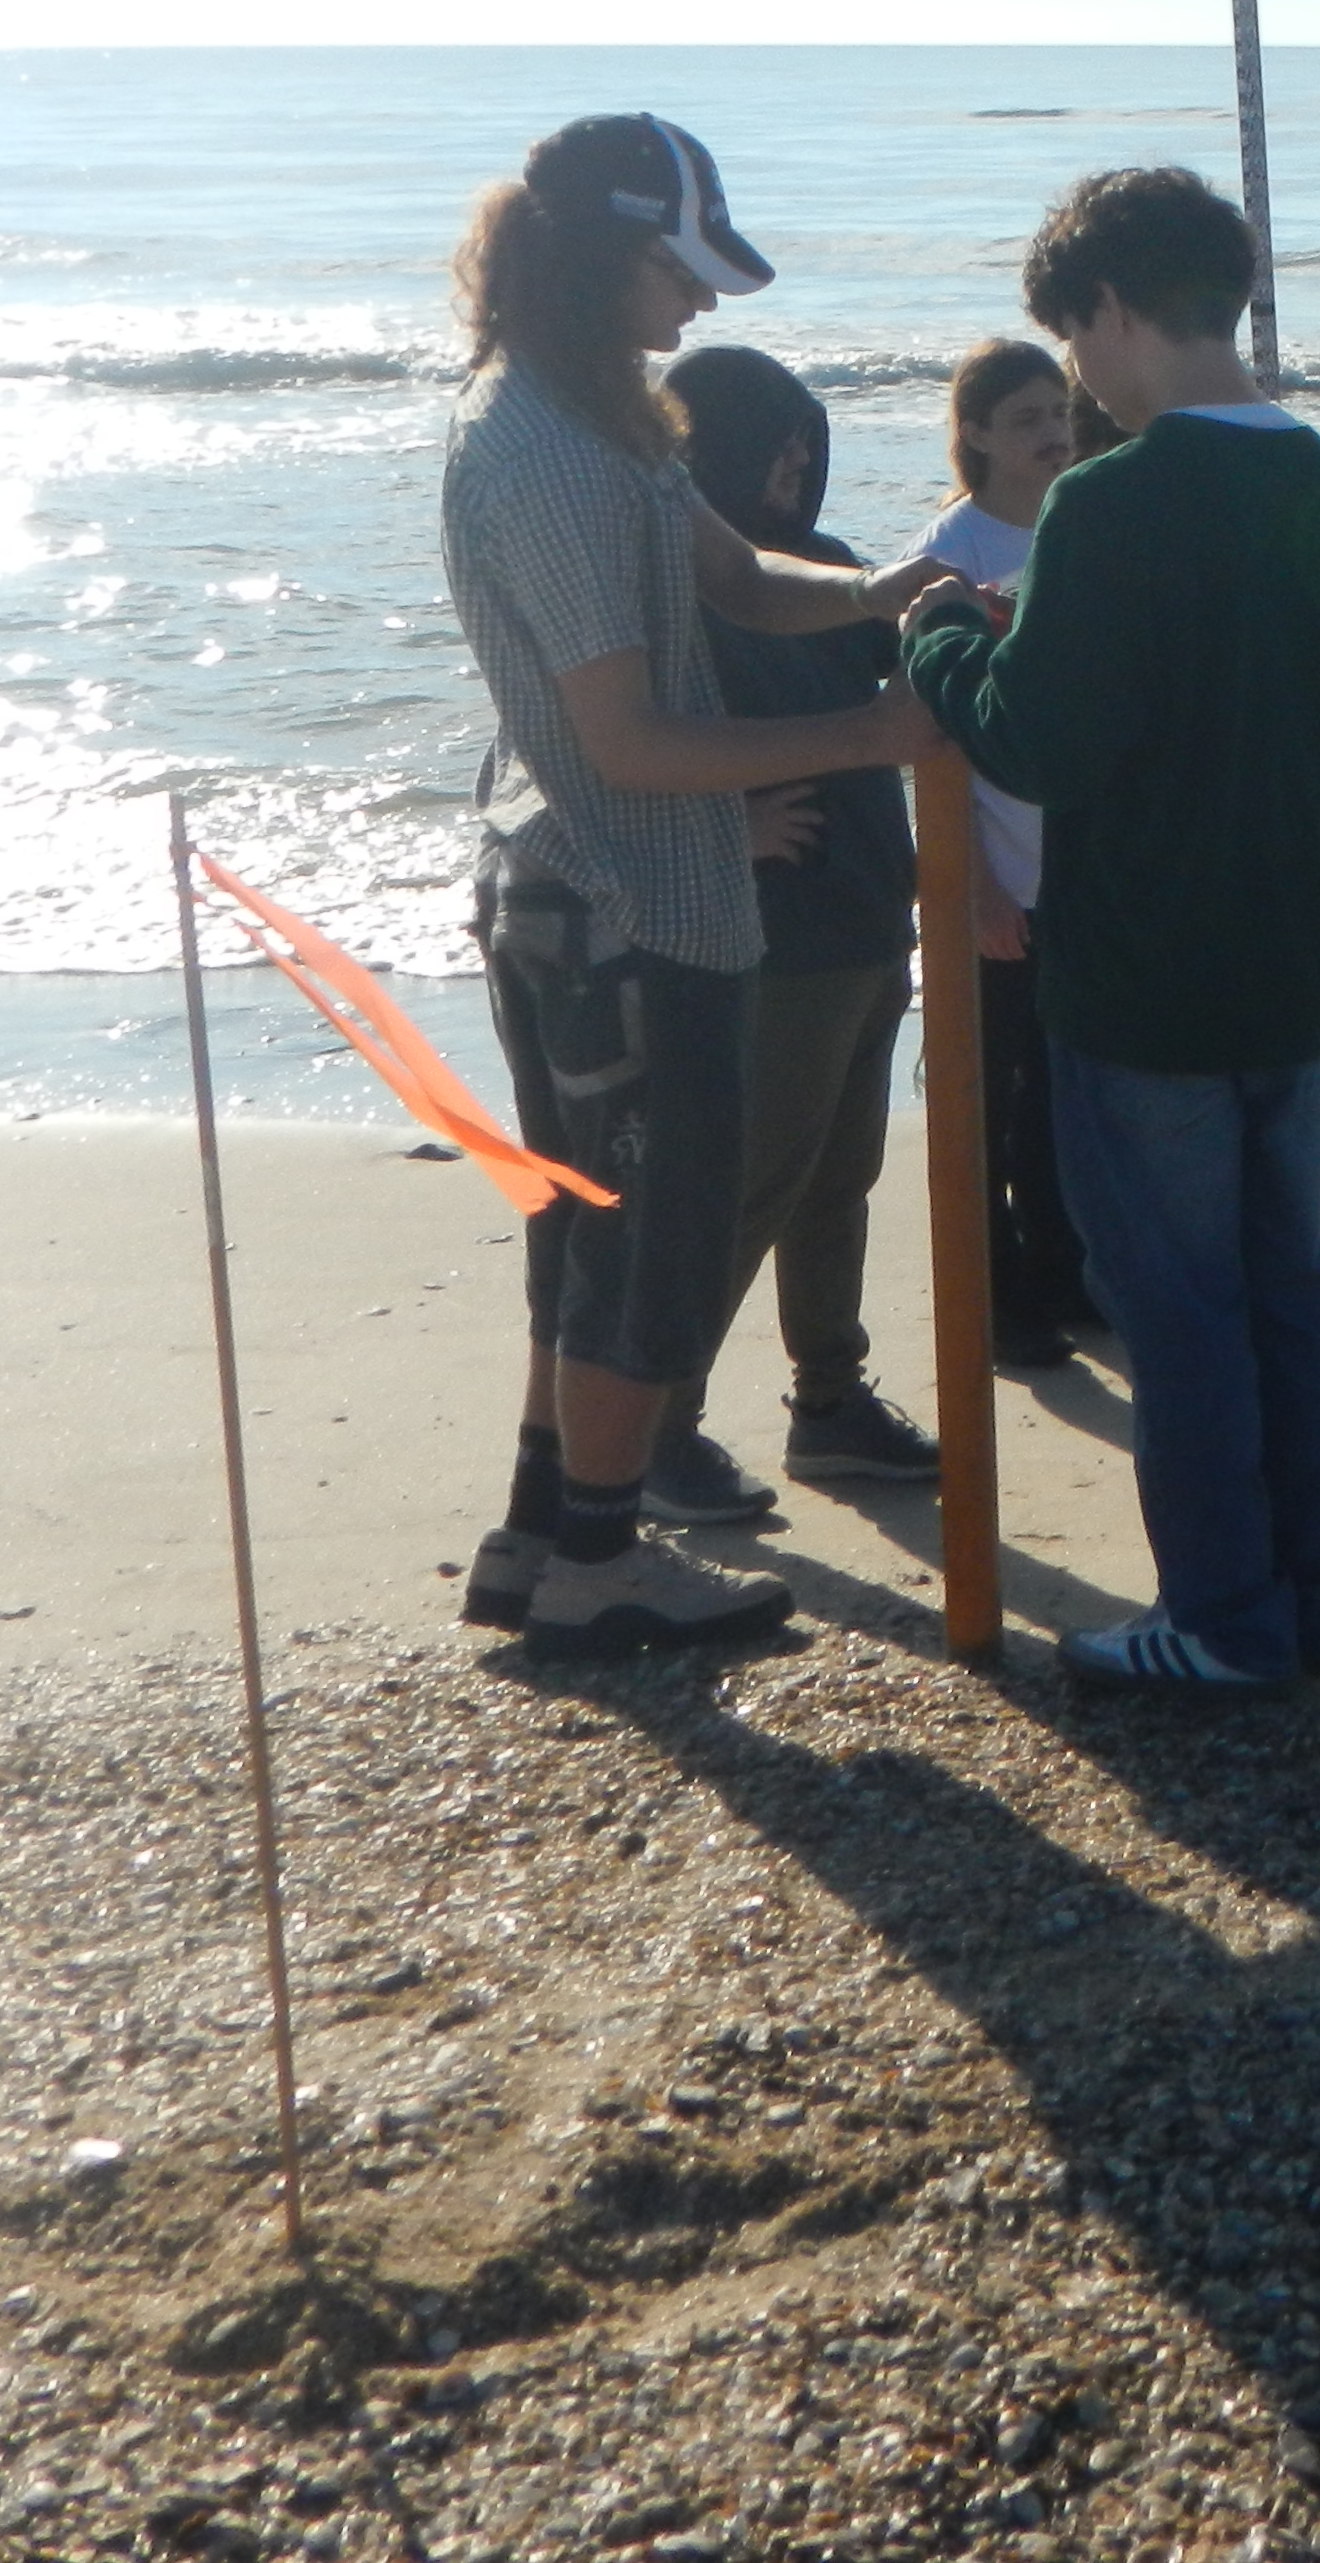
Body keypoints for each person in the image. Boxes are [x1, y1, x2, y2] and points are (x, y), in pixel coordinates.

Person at [436, 115, 943, 1660]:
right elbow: (631, 739)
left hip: (593, 895)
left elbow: (732, 580)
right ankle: (599, 1557)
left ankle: (544, 1533)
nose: (708, 304)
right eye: (685, 270)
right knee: (647, 1246)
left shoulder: (603, 413)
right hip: (619, 913)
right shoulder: (550, 453)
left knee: (592, 1240)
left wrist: (879, 590)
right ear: (604, 260)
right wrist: (874, 729)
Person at [901, 167, 1320, 1692]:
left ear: (1115, 309)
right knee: (1293, 1290)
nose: (1076, 380)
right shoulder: (1315, 477)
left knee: (1178, 1314)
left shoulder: (1112, 501)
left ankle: (1225, 1619)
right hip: (1298, 957)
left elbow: (1037, 741)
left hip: (1145, 979)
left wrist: (937, 647)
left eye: (1075, 342)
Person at [649, 344, 949, 1516]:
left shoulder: (822, 568)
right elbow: (616, 745)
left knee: (841, 1175)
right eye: (772, 439)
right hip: (771, 936)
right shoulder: (676, 587)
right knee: (753, 1185)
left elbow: (925, 677)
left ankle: (831, 1401)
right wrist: (728, 826)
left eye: (805, 441)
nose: (793, 460)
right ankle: (659, 1428)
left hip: (871, 914)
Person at [908, 338, 1097, 1372]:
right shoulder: (952, 553)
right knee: (991, 1091)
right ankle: (998, 1298)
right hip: (988, 867)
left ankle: (1063, 1269)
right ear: (976, 431)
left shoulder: (1080, 527)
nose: (1052, 433)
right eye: (1026, 418)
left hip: (1074, 863)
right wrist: (972, 884)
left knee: (1064, 1091)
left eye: (1059, 413)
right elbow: (932, 740)